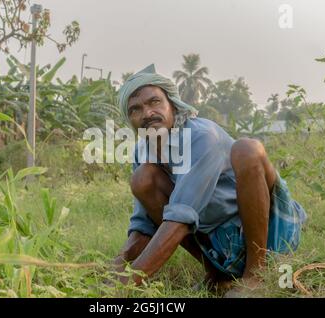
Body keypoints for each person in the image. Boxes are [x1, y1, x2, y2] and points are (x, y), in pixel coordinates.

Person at [111, 64, 307, 297]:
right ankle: (216, 273)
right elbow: (143, 226)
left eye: (154, 102)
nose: (147, 113)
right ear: (130, 120)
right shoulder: (143, 152)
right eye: (135, 109)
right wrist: (114, 267)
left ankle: (256, 275)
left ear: (172, 106)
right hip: (220, 244)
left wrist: (128, 283)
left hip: (268, 234)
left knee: (247, 149)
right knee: (142, 179)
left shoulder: (202, 136)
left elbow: (180, 218)